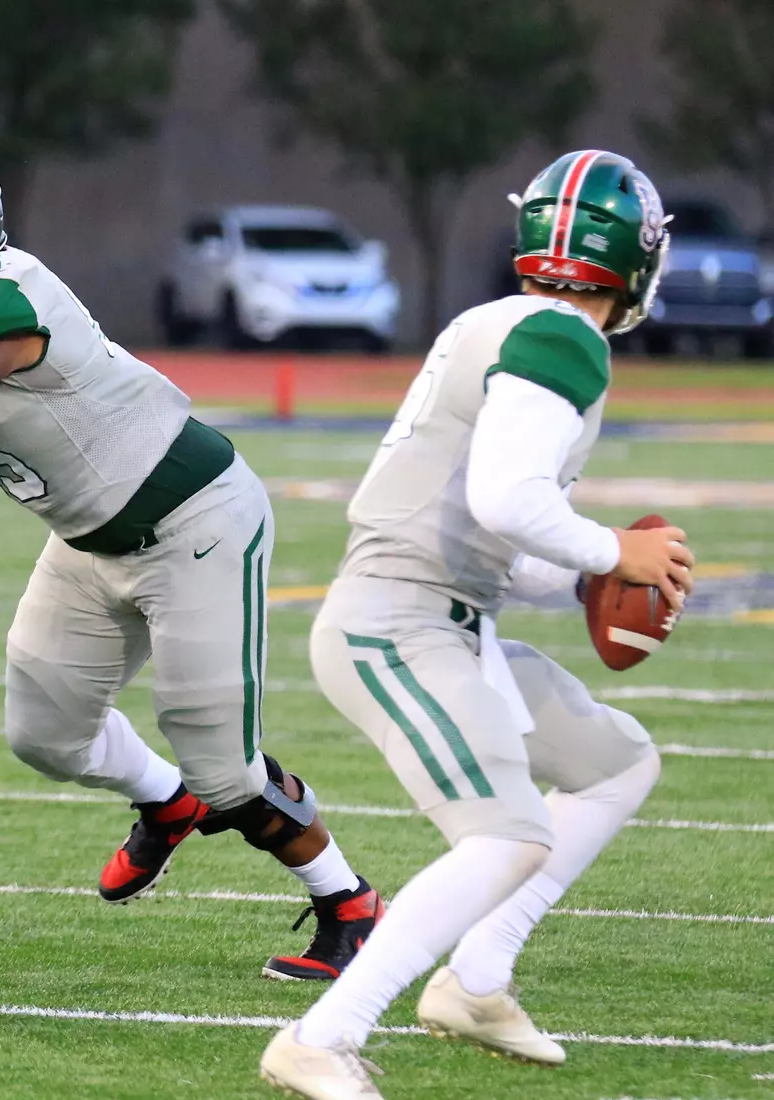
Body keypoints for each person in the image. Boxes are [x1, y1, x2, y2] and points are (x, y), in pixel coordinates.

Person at [0, 146, 380, 981]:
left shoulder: (4, 294)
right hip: (85, 538)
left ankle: (347, 902)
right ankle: (164, 802)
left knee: (225, 768)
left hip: (193, 520)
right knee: (46, 735)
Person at [258, 150, 686, 1099]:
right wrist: (618, 554)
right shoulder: (563, 340)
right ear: (638, 259)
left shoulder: (498, 321)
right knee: (507, 837)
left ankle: (478, 979)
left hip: (449, 618)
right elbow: (503, 499)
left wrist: (584, 576)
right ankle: (323, 1036)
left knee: (617, 763)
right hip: (398, 620)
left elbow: (503, 533)